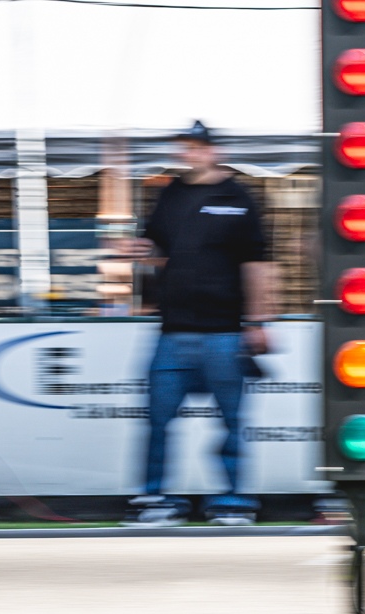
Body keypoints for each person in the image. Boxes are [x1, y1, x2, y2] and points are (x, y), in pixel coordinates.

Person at [121, 121, 275, 526]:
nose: (188, 153)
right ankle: (156, 499)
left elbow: (257, 264)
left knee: (232, 423)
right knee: (157, 421)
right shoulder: (169, 193)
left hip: (225, 332)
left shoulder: (239, 197)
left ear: (214, 151)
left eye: (196, 147)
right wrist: (141, 249)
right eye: (184, 147)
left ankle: (234, 502)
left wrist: (257, 321)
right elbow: (157, 249)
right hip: (172, 331)